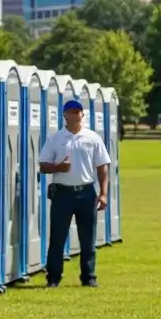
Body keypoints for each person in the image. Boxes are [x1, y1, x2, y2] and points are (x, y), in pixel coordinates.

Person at [38, 98, 112, 288]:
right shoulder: (55, 139)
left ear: (82, 114)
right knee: (57, 237)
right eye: (71, 111)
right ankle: (53, 278)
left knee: (88, 237)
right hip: (63, 193)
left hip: (86, 192)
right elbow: (43, 166)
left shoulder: (92, 138)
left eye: (77, 111)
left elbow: (102, 168)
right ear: (65, 115)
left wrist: (103, 194)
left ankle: (89, 277)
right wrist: (59, 167)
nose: (75, 114)